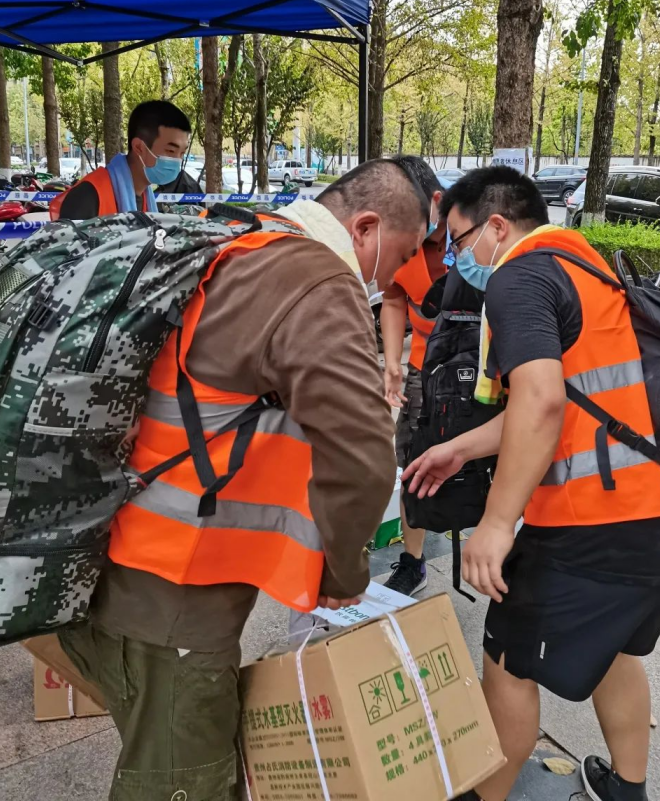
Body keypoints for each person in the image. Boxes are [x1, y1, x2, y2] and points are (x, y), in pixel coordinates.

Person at [58, 159, 428, 801]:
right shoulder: (315, 278)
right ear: (365, 228)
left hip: (103, 559)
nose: (397, 277)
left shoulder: (235, 238)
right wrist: (341, 574)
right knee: (185, 786)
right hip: (171, 603)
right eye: (402, 255)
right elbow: (364, 455)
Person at [403, 166, 660, 801]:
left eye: (458, 242)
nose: (456, 259)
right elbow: (567, 398)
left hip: (590, 525)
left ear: (496, 227)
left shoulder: (518, 276)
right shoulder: (584, 264)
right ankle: (627, 789)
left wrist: (494, 524)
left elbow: (540, 402)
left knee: (508, 662)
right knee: (614, 651)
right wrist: (459, 447)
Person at [381, 155, 448, 596]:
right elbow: (393, 298)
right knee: (414, 465)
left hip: (488, 371)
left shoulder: (479, 231)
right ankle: (413, 561)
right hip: (425, 370)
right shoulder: (404, 244)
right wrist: (393, 361)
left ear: (436, 202)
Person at [50, 100, 191, 219]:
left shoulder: (147, 198)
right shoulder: (88, 196)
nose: (177, 161)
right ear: (139, 147)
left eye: (182, 153)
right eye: (171, 151)